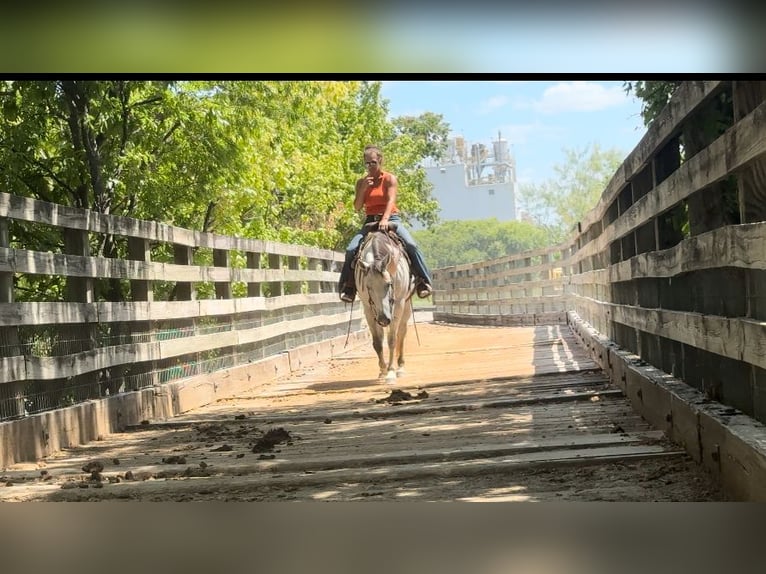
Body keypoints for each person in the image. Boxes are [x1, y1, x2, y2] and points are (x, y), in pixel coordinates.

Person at [338, 145, 434, 303]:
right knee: (351, 249)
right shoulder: (361, 182)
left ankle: (423, 282)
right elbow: (357, 207)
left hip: (391, 219)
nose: (370, 167)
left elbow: (391, 200)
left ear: (380, 161)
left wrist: (385, 219)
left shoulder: (389, 179)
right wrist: (362, 189)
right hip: (370, 221)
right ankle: (348, 286)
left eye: (373, 163)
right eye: (367, 163)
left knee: (411, 245)